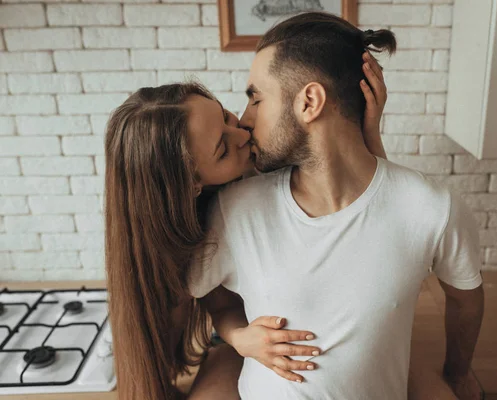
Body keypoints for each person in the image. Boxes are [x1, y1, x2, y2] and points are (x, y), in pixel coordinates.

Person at [188, 11, 485, 400]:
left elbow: (466, 298)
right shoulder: (235, 208)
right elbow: (207, 292)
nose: (244, 121)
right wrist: (237, 336)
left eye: (256, 99)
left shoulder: (431, 209)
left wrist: (457, 374)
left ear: (309, 101)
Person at [103, 31, 389, 400]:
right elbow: (203, 304)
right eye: (223, 149)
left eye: (225, 115)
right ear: (191, 185)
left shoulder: (277, 157)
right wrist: (240, 338)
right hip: (241, 333)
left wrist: (369, 134)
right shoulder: (177, 249)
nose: (242, 131)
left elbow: (373, 212)